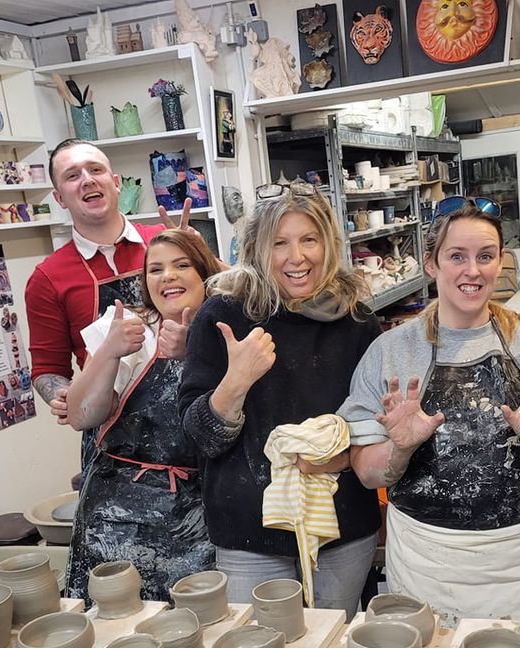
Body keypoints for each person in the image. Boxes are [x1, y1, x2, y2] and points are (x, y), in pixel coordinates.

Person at [340, 198, 520, 624]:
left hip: (519, 558)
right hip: (427, 560)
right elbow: (367, 473)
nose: (472, 271)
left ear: (500, 263)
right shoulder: (390, 353)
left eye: (485, 257)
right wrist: (399, 450)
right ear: (431, 264)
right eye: (457, 256)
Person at [178, 183, 380, 615]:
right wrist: (236, 382)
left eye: (309, 239)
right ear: (255, 249)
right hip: (250, 533)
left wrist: (340, 459)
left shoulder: (357, 320)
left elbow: (377, 425)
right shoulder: (224, 315)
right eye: (279, 243)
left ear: (329, 242)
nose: (297, 257)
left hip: (341, 527)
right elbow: (197, 437)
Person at [25, 139, 200, 469]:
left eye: (95, 169)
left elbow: (229, 302)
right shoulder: (48, 278)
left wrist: (202, 258)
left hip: (193, 418)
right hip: (116, 445)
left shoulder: (166, 242)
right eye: (72, 175)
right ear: (59, 197)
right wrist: (63, 396)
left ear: (115, 182)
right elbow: (48, 368)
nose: (88, 180)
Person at [63, 230, 218, 601]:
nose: (168, 276)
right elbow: (81, 415)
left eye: (183, 265)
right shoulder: (127, 328)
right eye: (155, 269)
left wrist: (192, 351)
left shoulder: (225, 329)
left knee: (190, 623)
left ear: (205, 274)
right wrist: (109, 352)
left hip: (194, 515)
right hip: (115, 517)